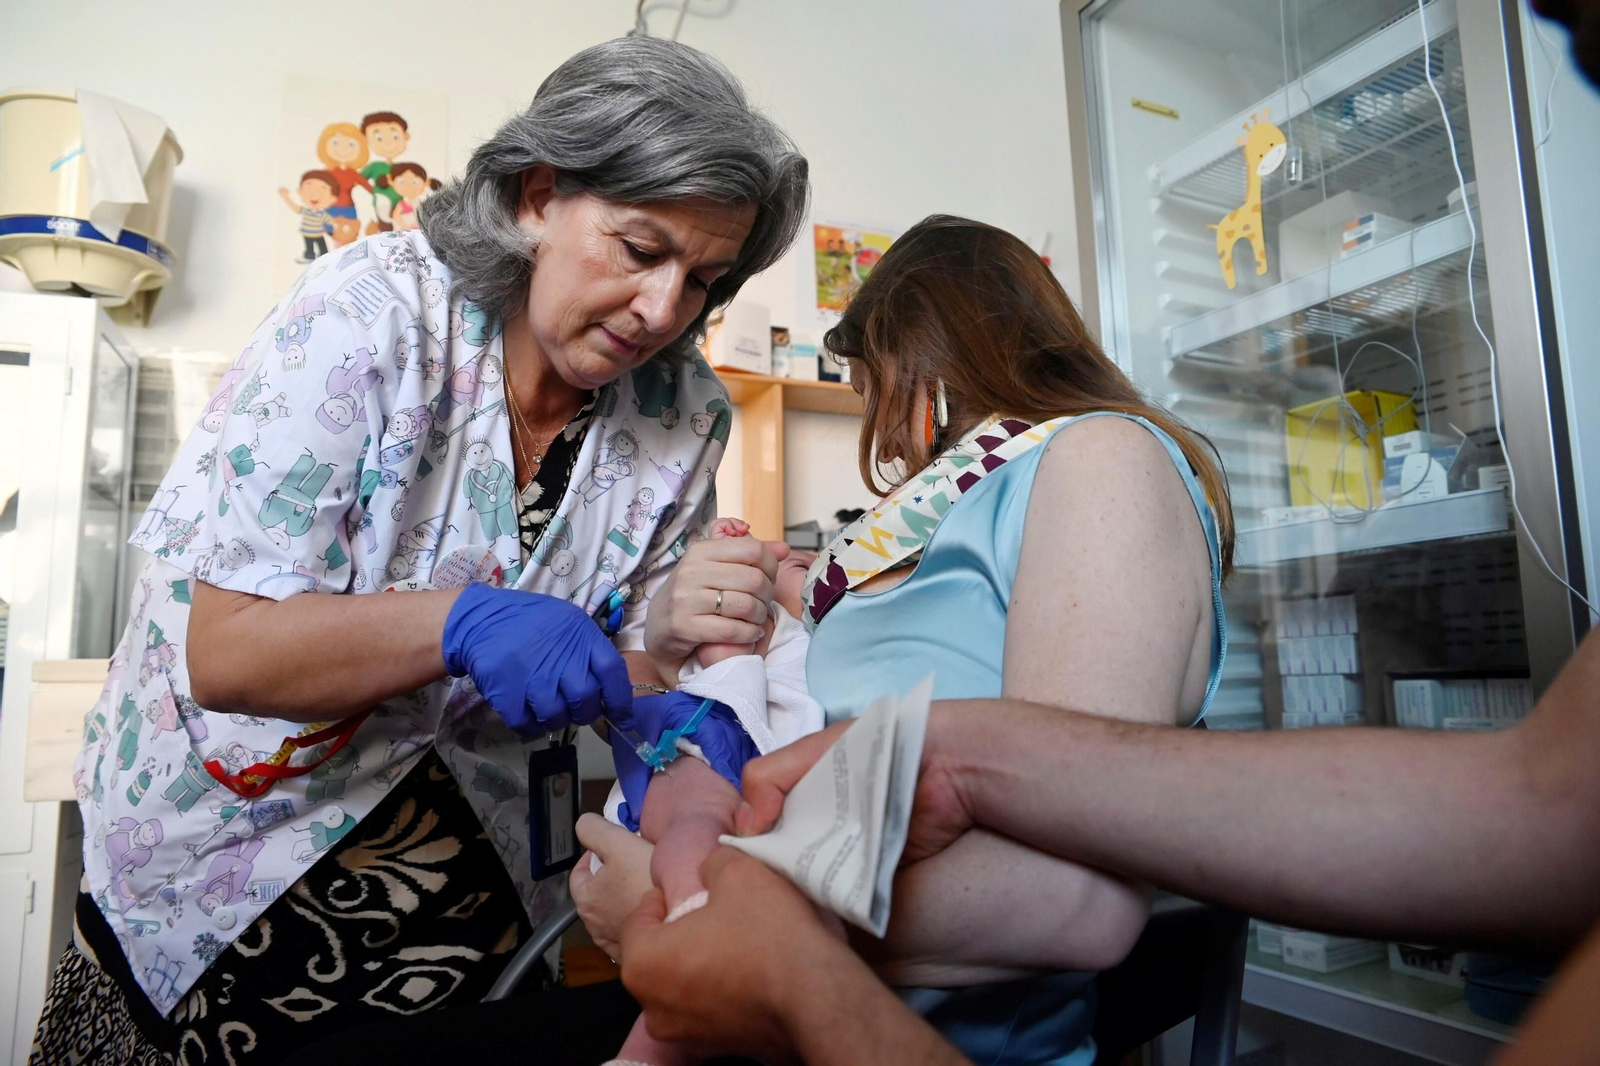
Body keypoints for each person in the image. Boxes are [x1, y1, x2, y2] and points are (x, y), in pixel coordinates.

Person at [31, 35, 807, 1065]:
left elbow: (629, 649)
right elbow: (229, 651)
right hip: (215, 870)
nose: (667, 312)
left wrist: (666, 671)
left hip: (461, 908)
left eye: (705, 280)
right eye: (640, 249)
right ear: (538, 197)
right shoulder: (372, 312)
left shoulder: (686, 413)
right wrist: (455, 621)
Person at [608, 213, 1234, 1066]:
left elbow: (1069, 897)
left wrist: (693, 911)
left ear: (910, 359)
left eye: (870, 389)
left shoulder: (1100, 462)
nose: (884, 430)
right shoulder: (937, 520)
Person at [598, 520, 824, 1066]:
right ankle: (695, 907)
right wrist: (724, 557)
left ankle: (647, 1044)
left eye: (801, 567)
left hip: (722, 758)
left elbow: (733, 633)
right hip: (698, 747)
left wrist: (741, 576)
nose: (793, 560)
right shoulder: (769, 623)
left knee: (703, 829)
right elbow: (717, 635)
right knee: (702, 819)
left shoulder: (794, 627)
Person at [278, 169, 339, 262]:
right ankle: (309, 256)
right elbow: (294, 207)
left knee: (322, 247)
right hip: (307, 233)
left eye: (321, 190)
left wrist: (337, 225)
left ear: (332, 198)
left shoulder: (322, 214)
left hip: (318, 233)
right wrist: (285, 197)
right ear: (300, 191)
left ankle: (325, 256)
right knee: (309, 246)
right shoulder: (305, 211)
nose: (314, 195)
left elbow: (331, 221)